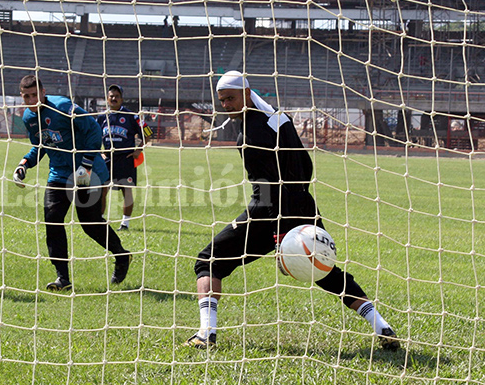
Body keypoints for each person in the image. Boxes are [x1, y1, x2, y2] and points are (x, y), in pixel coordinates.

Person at [185, 71, 399, 351]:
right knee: (325, 272)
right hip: (303, 203)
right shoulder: (278, 117)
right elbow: (305, 165)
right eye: (222, 100)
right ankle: (381, 325)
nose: (225, 104)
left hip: (270, 209)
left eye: (230, 98)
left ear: (247, 93)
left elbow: (266, 188)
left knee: (208, 261)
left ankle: (206, 333)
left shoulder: (248, 134)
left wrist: (275, 233)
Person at [13, 75, 131, 291]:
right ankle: (62, 278)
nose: (31, 100)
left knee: (89, 223)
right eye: (26, 96)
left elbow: (94, 130)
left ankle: (121, 255)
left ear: (42, 92)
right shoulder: (29, 117)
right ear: (22, 97)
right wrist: (24, 164)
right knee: (52, 219)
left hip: (89, 171)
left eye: (34, 95)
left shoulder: (63, 106)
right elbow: (41, 145)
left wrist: (86, 164)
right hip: (58, 174)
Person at [97, 85, 153, 231]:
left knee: (126, 191)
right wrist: (99, 152)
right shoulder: (102, 117)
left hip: (125, 159)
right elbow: (94, 136)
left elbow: (147, 133)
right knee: (102, 190)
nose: (114, 98)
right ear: (107, 99)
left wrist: (138, 150)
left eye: (117, 96)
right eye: (111, 96)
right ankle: (99, 221)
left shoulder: (132, 116)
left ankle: (125, 224)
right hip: (108, 159)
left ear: (122, 99)